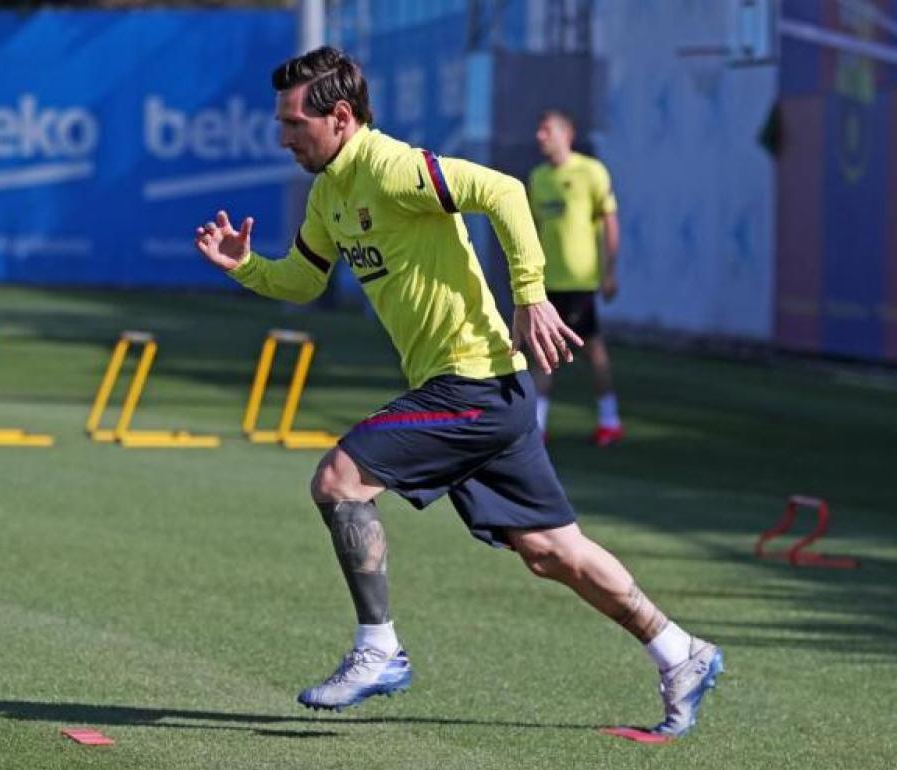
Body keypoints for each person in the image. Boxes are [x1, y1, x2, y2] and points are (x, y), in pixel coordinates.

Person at [193, 46, 722, 737]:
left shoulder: (390, 166)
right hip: (482, 392)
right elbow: (304, 280)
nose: (284, 137)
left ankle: (379, 648)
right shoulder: (330, 193)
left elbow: (503, 191)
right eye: (283, 123)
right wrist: (247, 268)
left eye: (294, 123)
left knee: (340, 482)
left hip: (472, 380)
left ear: (342, 118)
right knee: (552, 552)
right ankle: (680, 651)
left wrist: (530, 296)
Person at [528, 110, 623, 446]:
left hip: (580, 283)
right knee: (543, 353)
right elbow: (535, 231)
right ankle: (537, 427)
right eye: (539, 130)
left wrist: (609, 271)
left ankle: (609, 419)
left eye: (547, 130)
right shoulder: (538, 177)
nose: (541, 136)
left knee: (592, 351)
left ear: (567, 135)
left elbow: (609, 221)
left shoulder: (590, 171)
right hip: (547, 284)